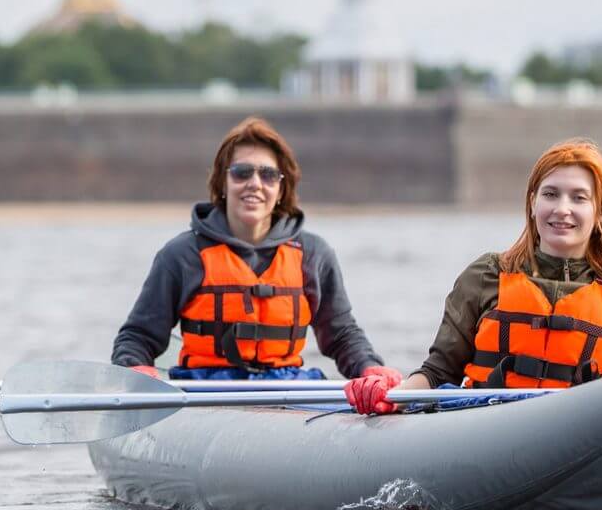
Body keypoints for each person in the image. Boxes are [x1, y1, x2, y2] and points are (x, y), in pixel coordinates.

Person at [345, 136, 602, 413]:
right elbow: (439, 372)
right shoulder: (487, 275)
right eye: (550, 194)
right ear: (533, 203)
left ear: (601, 213)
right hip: (485, 423)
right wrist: (392, 397)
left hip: (576, 429)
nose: (562, 209)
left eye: (579, 198)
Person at [111, 116, 400, 394]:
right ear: (223, 184)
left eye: (268, 174)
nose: (255, 183)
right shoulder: (182, 254)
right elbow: (137, 338)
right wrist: (134, 369)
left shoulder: (314, 254)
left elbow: (342, 335)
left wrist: (368, 367)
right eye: (241, 172)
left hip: (287, 387)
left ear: (281, 187)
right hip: (205, 389)